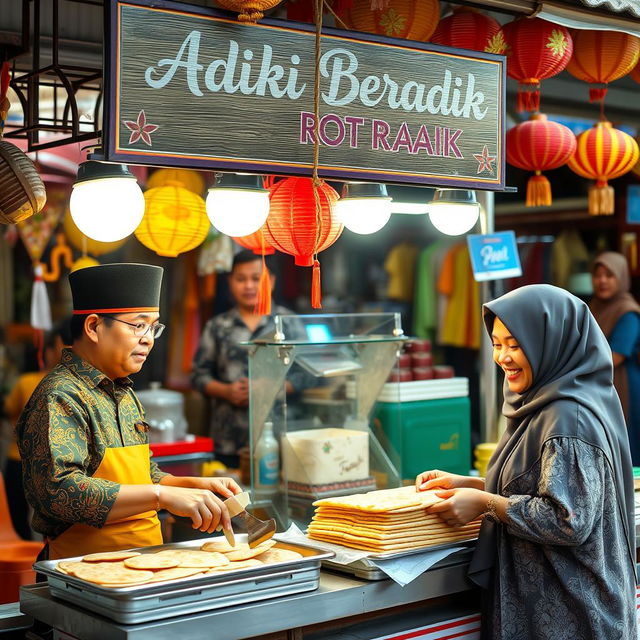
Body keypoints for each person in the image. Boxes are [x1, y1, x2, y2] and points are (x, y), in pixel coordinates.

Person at [415, 284, 636, 640]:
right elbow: (542, 484)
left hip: (574, 615)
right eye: (497, 344)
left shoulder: (568, 417)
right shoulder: (547, 403)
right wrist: (470, 485)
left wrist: (486, 503)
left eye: (516, 345)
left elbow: (568, 520)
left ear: (550, 343)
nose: (503, 357)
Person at [17, 263, 241, 560]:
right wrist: (162, 497)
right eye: (138, 325)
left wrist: (196, 485)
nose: (148, 338)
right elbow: (60, 492)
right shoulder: (60, 395)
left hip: (145, 560)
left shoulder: (125, 393)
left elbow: (144, 476)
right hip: (84, 567)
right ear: (94, 327)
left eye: (153, 327)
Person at [192, 250, 296, 469]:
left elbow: (308, 376)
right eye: (241, 279)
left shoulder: (289, 323)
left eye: (256, 279)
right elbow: (198, 376)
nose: (248, 286)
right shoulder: (217, 326)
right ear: (230, 282)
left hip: (282, 437)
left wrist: (270, 387)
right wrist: (225, 391)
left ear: (272, 282)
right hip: (228, 440)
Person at [3, 322, 69, 539]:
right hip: (54, 464)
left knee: (18, 517)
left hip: (20, 460)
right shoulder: (71, 386)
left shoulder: (27, 382)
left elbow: (9, 410)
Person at [590, 251, 640, 464]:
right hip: (600, 383)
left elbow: (615, 357)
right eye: (598, 275)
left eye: (609, 275)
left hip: (624, 386)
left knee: (627, 444)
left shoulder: (627, 311)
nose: (602, 281)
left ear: (621, 277)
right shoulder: (592, 307)